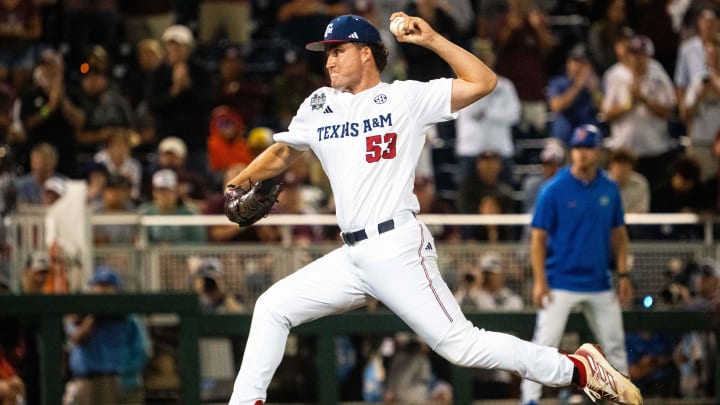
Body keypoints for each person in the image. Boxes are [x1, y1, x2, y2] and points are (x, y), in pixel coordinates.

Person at [224, 14, 642, 405]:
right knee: (272, 308)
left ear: (365, 53)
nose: (328, 60)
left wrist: (431, 39)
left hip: (396, 247)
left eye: (338, 50)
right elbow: (282, 152)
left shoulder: (405, 98)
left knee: (461, 344)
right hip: (352, 256)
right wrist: (238, 182)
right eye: (327, 53)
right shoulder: (319, 104)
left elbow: (483, 81)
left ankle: (578, 369)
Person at [519, 124, 634, 405]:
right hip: (560, 281)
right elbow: (537, 239)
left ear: (598, 152)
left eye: (588, 148)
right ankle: (529, 400)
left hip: (599, 282)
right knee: (543, 345)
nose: (582, 153)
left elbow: (619, 235)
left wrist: (624, 274)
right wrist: (540, 281)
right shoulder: (553, 189)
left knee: (616, 346)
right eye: (578, 148)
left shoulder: (609, 188)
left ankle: (624, 400)